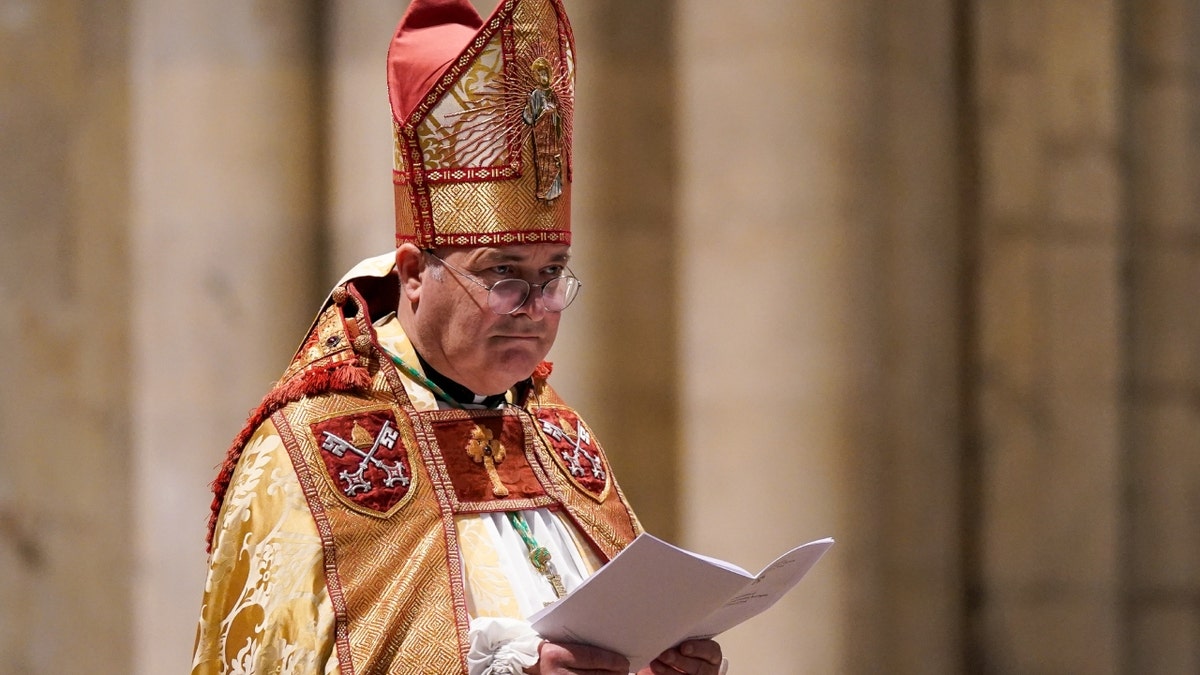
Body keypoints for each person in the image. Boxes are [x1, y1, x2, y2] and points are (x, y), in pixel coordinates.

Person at [191, 1, 726, 673]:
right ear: (414, 272)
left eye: (552, 275)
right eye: (503, 275)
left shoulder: (560, 438)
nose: (534, 307)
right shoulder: (309, 453)